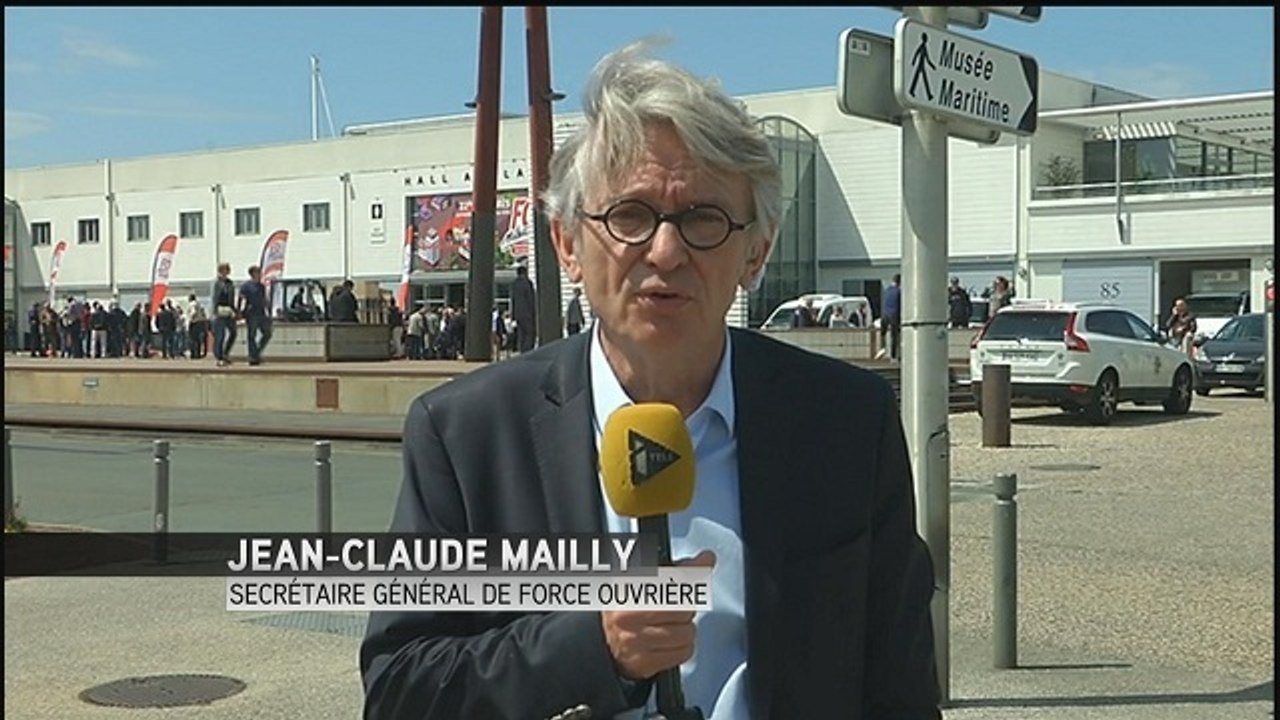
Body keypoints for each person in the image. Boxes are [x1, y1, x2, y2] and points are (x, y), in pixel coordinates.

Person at [360, 40, 940, 720]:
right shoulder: (467, 436)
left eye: (703, 219)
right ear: (568, 245)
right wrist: (590, 645)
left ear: (756, 251)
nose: (665, 252)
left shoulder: (845, 422)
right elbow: (401, 688)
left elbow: (898, 689)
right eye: (630, 216)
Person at [237, 265, 272, 366]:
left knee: (267, 334)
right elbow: (241, 298)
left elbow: (264, 299)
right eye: (258, 272)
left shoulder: (261, 286)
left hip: (261, 313)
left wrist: (268, 311)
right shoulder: (246, 286)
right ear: (252, 274)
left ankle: (255, 353)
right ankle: (252, 357)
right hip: (251, 313)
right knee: (251, 335)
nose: (260, 274)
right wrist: (239, 311)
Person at [211, 262, 238, 367]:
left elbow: (232, 299)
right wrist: (214, 312)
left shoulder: (230, 283)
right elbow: (214, 298)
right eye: (225, 270)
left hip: (229, 311)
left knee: (233, 332)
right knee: (220, 335)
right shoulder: (216, 283)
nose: (226, 272)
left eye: (227, 270)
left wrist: (235, 311)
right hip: (219, 311)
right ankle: (219, 357)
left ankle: (225, 353)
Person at [510, 263, 537, 353]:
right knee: (529, 332)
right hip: (527, 313)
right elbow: (530, 298)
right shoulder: (528, 283)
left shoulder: (514, 284)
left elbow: (513, 300)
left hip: (518, 313)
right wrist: (533, 311)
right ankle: (528, 349)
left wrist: (512, 315)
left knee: (521, 332)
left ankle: (521, 349)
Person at [880, 273, 902, 360]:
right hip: (894, 315)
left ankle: (882, 348)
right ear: (899, 282)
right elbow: (900, 305)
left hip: (884, 315)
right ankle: (893, 356)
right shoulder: (898, 291)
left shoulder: (887, 290)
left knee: (883, 333)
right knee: (894, 336)